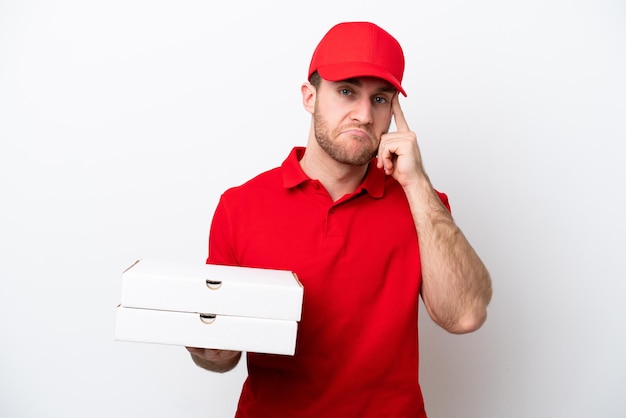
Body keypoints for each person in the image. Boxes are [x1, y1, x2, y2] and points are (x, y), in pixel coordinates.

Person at [187, 21, 492, 417]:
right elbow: (221, 355)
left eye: (380, 99)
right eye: (346, 92)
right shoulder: (240, 206)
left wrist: (417, 184)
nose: (364, 115)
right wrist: (208, 348)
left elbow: (465, 315)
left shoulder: (423, 206)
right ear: (309, 97)